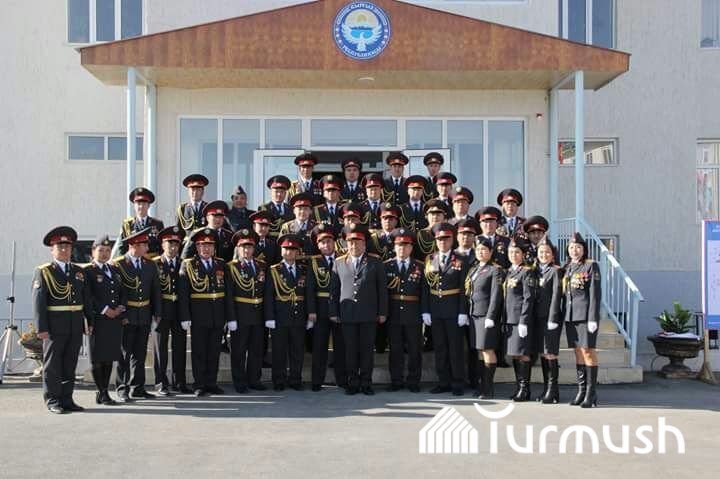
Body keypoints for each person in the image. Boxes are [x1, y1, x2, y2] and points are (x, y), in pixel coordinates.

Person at [33, 226, 91, 414]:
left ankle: (67, 399)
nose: (65, 250)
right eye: (60, 247)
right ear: (52, 250)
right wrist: (41, 328)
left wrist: (89, 322)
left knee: (70, 363)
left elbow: (86, 299)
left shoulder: (78, 271)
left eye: (67, 247)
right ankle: (52, 399)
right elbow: (39, 302)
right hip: (54, 325)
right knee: (53, 364)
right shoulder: (44, 271)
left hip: (75, 324)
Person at [329, 223, 388, 395]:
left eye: (358, 242)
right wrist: (333, 311)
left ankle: (366, 382)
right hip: (347, 314)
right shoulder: (339, 262)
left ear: (364, 244)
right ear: (346, 243)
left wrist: (382, 312)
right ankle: (353, 382)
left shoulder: (375, 262)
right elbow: (334, 290)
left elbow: (382, 289)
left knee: (367, 350)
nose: (354, 245)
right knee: (350, 351)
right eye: (350, 242)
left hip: (369, 314)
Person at [178, 228, 232, 397]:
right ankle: (199, 384)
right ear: (197, 247)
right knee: (199, 351)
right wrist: (185, 316)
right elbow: (183, 294)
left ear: (214, 247)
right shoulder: (188, 265)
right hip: (199, 315)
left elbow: (228, 293)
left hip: (218, 315)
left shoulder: (221, 264)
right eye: (202, 245)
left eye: (209, 245)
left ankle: (211, 383)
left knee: (214, 351)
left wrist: (230, 317)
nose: (206, 249)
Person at [113, 227, 162, 402]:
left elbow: (155, 290)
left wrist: (157, 312)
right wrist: (121, 315)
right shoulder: (118, 265)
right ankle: (122, 387)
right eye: (144, 245)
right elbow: (115, 293)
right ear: (134, 245)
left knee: (140, 354)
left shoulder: (150, 264)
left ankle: (138, 388)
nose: (147, 248)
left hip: (144, 314)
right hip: (128, 314)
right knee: (124, 354)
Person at [422, 222, 469, 396]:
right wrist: (425, 310)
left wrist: (463, 311)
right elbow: (426, 287)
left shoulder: (461, 259)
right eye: (439, 239)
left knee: (455, 348)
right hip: (435, 310)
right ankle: (443, 382)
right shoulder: (430, 259)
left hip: (454, 309)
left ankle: (458, 382)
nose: (443, 242)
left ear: (452, 240)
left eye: (446, 239)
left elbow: (464, 288)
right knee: (440, 348)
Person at [84, 235, 127, 406]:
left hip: (114, 320)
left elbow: (122, 291)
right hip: (98, 319)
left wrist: (120, 308)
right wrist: (105, 309)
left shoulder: (114, 270)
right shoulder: (88, 271)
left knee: (109, 357)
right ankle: (101, 392)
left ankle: (104, 391)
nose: (105, 253)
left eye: (108, 250)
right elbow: (88, 295)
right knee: (98, 358)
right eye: (101, 250)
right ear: (93, 251)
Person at [264, 234, 309, 391]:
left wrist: (309, 315)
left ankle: (295, 379)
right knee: (279, 350)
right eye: (286, 249)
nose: (289, 252)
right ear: (281, 251)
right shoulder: (274, 270)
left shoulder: (304, 269)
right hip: (280, 316)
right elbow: (269, 295)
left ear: (297, 252)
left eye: (293, 249)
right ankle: (279, 380)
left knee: (297, 350)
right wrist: (269, 317)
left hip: (299, 316)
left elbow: (308, 294)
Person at [384, 229, 426, 392]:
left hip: (413, 314)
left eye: (406, 245)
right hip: (393, 313)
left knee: (415, 349)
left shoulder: (420, 266)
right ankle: (396, 381)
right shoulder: (386, 266)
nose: (402, 248)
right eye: (399, 245)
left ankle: (414, 381)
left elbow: (424, 292)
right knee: (395, 350)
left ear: (411, 248)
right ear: (394, 247)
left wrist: (424, 312)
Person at [306, 224, 346, 391]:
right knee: (319, 347)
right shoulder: (314, 262)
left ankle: (342, 380)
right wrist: (311, 311)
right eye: (322, 242)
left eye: (329, 241)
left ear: (334, 242)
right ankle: (317, 381)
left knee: (341, 347)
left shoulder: (343, 259)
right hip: (320, 309)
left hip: (339, 308)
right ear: (318, 245)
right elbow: (309, 288)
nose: (326, 245)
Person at [227, 228, 268, 393]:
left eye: (249, 246)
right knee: (238, 351)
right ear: (238, 248)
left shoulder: (262, 265)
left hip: (258, 314)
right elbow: (229, 295)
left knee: (256, 350)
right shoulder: (232, 267)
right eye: (243, 247)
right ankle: (239, 382)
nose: (246, 250)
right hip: (240, 314)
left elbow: (266, 292)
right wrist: (231, 318)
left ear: (254, 248)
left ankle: (254, 379)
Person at [563, 232, 601, 408]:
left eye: (578, 247)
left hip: (585, 316)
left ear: (584, 249)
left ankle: (591, 394)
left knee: (588, 351)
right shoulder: (568, 267)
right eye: (571, 247)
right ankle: (581, 391)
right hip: (571, 316)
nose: (575, 250)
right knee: (577, 352)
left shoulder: (591, 266)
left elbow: (595, 294)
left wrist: (593, 317)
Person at [152, 226, 189, 395]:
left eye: (176, 244)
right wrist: (154, 311)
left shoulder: (184, 264)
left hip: (179, 310)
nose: (173, 248)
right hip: (161, 311)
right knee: (160, 348)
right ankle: (161, 383)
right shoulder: (154, 264)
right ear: (162, 245)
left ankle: (179, 382)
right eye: (170, 244)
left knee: (180, 347)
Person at [466, 237, 505, 399]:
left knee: (488, 350)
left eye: (484, 249)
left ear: (490, 252)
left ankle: (488, 388)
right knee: (480, 350)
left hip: (486, 316)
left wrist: (491, 316)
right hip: (474, 315)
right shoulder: (474, 269)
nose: (480, 252)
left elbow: (496, 295)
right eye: (478, 249)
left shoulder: (494, 270)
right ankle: (482, 385)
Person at [503, 236, 536, 402]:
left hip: (520, 319)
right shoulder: (509, 271)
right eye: (511, 252)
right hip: (510, 318)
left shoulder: (526, 272)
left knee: (523, 354)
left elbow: (528, 298)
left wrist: (524, 320)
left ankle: (525, 389)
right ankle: (519, 387)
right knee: (515, 354)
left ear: (523, 254)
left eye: (517, 252)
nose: (513, 255)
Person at [533, 234, 564, 404]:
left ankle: (552, 390)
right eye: (541, 252)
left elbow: (556, 296)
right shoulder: (536, 270)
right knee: (543, 353)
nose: (544, 255)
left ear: (553, 254)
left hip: (550, 318)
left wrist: (553, 318)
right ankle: (548, 390)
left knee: (550, 353)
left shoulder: (555, 271)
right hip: (538, 317)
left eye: (547, 252)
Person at [454, 218, 481, 389]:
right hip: (453, 307)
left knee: (474, 346)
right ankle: (456, 380)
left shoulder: (479, 255)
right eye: (463, 234)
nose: (466, 237)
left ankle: (474, 380)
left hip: (475, 307)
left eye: (470, 235)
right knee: (456, 346)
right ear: (457, 236)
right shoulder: (450, 255)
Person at [113, 187, 165, 259]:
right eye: (138, 203)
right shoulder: (127, 225)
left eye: (144, 204)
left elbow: (162, 246)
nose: (141, 206)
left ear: (148, 206)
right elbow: (121, 247)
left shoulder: (157, 224)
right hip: (132, 262)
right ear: (134, 206)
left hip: (152, 261)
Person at [279, 192, 316, 260]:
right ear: (294, 211)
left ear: (310, 211)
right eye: (300, 208)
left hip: (312, 263)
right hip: (293, 263)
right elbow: (282, 250)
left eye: (305, 209)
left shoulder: (316, 227)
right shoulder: (287, 227)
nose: (302, 212)